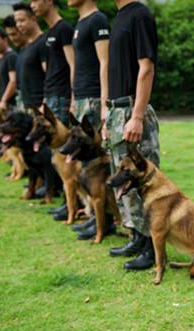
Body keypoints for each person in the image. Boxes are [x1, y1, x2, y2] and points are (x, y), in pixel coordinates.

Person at [104, 0, 160, 271]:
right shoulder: (120, 17)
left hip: (131, 108)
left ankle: (152, 248)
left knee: (144, 183)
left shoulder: (139, 14)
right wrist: (108, 116)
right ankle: (138, 237)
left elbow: (146, 67)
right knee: (125, 182)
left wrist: (136, 116)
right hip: (116, 110)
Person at [30, 0, 74, 124]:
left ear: (49, 1)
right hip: (50, 97)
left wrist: (74, 97)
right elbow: (50, 70)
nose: (32, 5)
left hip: (61, 97)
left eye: (35, 0)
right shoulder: (50, 32)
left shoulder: (64, 28)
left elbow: (73, 65)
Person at [68, 0, 110, 131]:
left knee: (96, 148)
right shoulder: (81, 22)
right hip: (81, 98)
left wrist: (104, 104)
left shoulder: (97, 20)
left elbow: (105, 61)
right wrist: (73, 99)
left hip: (93, 98)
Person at [13, 2, 47, 111]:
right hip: (27, 106)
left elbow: (49, 76)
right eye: (16, 21)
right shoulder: (26, 47)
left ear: (33, 19)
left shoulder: (43, 42)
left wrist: (45, 103)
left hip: (40, 107)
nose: (18, 25)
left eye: (22, 20)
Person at [3, 14, 28, 111]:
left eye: (14, 34)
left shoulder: (31, 50)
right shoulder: (19, 53)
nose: (12, 38)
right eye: (9, 35)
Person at [0, 27, 17, 111]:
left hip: (10, 104)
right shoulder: (1, 59)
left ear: (5, 39)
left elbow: (13, 81)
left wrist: (3, 100)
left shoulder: (11, 56)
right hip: (1, 104)